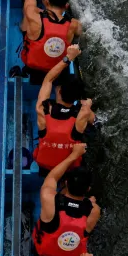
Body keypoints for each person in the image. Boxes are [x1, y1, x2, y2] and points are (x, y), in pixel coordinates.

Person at [32, 143, 101, 256]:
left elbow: (52, 177)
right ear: (88, 189)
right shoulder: (94, 210)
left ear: (66, 183)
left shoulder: (49, 198)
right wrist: (90, 202)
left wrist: (73, 155)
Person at [33, 45, 95, 176]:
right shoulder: (82, 113)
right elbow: (92, 119)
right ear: (77, 99)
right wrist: (87, 104)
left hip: (44, 165)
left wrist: (68, 58)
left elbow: (48, 80)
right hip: (69, 169)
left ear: (59, 91)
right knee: (92, 126)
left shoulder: (43, 109)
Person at [20, 0, 82, 84]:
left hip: (33, 69)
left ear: (45, 0)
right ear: (66, 6)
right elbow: (79, 34)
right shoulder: (74, 25)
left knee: (26, 20)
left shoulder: (34, 17)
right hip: (57, 72)